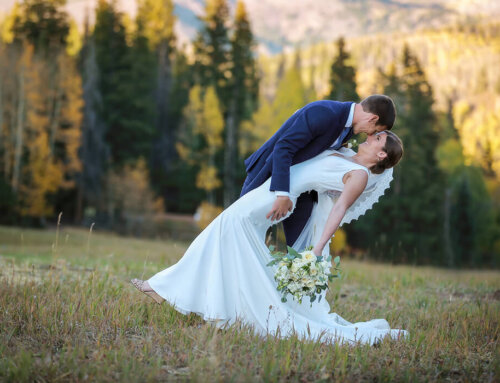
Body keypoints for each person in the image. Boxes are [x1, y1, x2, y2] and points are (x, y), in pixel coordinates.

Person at [131, 130, 407, 345]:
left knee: (227, 226)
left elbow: (338, 209)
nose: (371, 137)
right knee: (228, 238)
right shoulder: (347, 155)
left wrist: (319, 248)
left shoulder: (358, 175)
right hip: (273, 189)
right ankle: (206, 303)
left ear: (382, 155)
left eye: (378, 138)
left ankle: (164, 288)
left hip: (278, 199)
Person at [241, 95, 396, 248]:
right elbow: (283, 147)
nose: (369, 135)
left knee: (299, 252)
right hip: (270, 173)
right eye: (375, 130)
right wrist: (282, 194)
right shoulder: (324, 112)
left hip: (302, 193)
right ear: (373, 119)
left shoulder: (349, 128)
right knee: (242, 231)